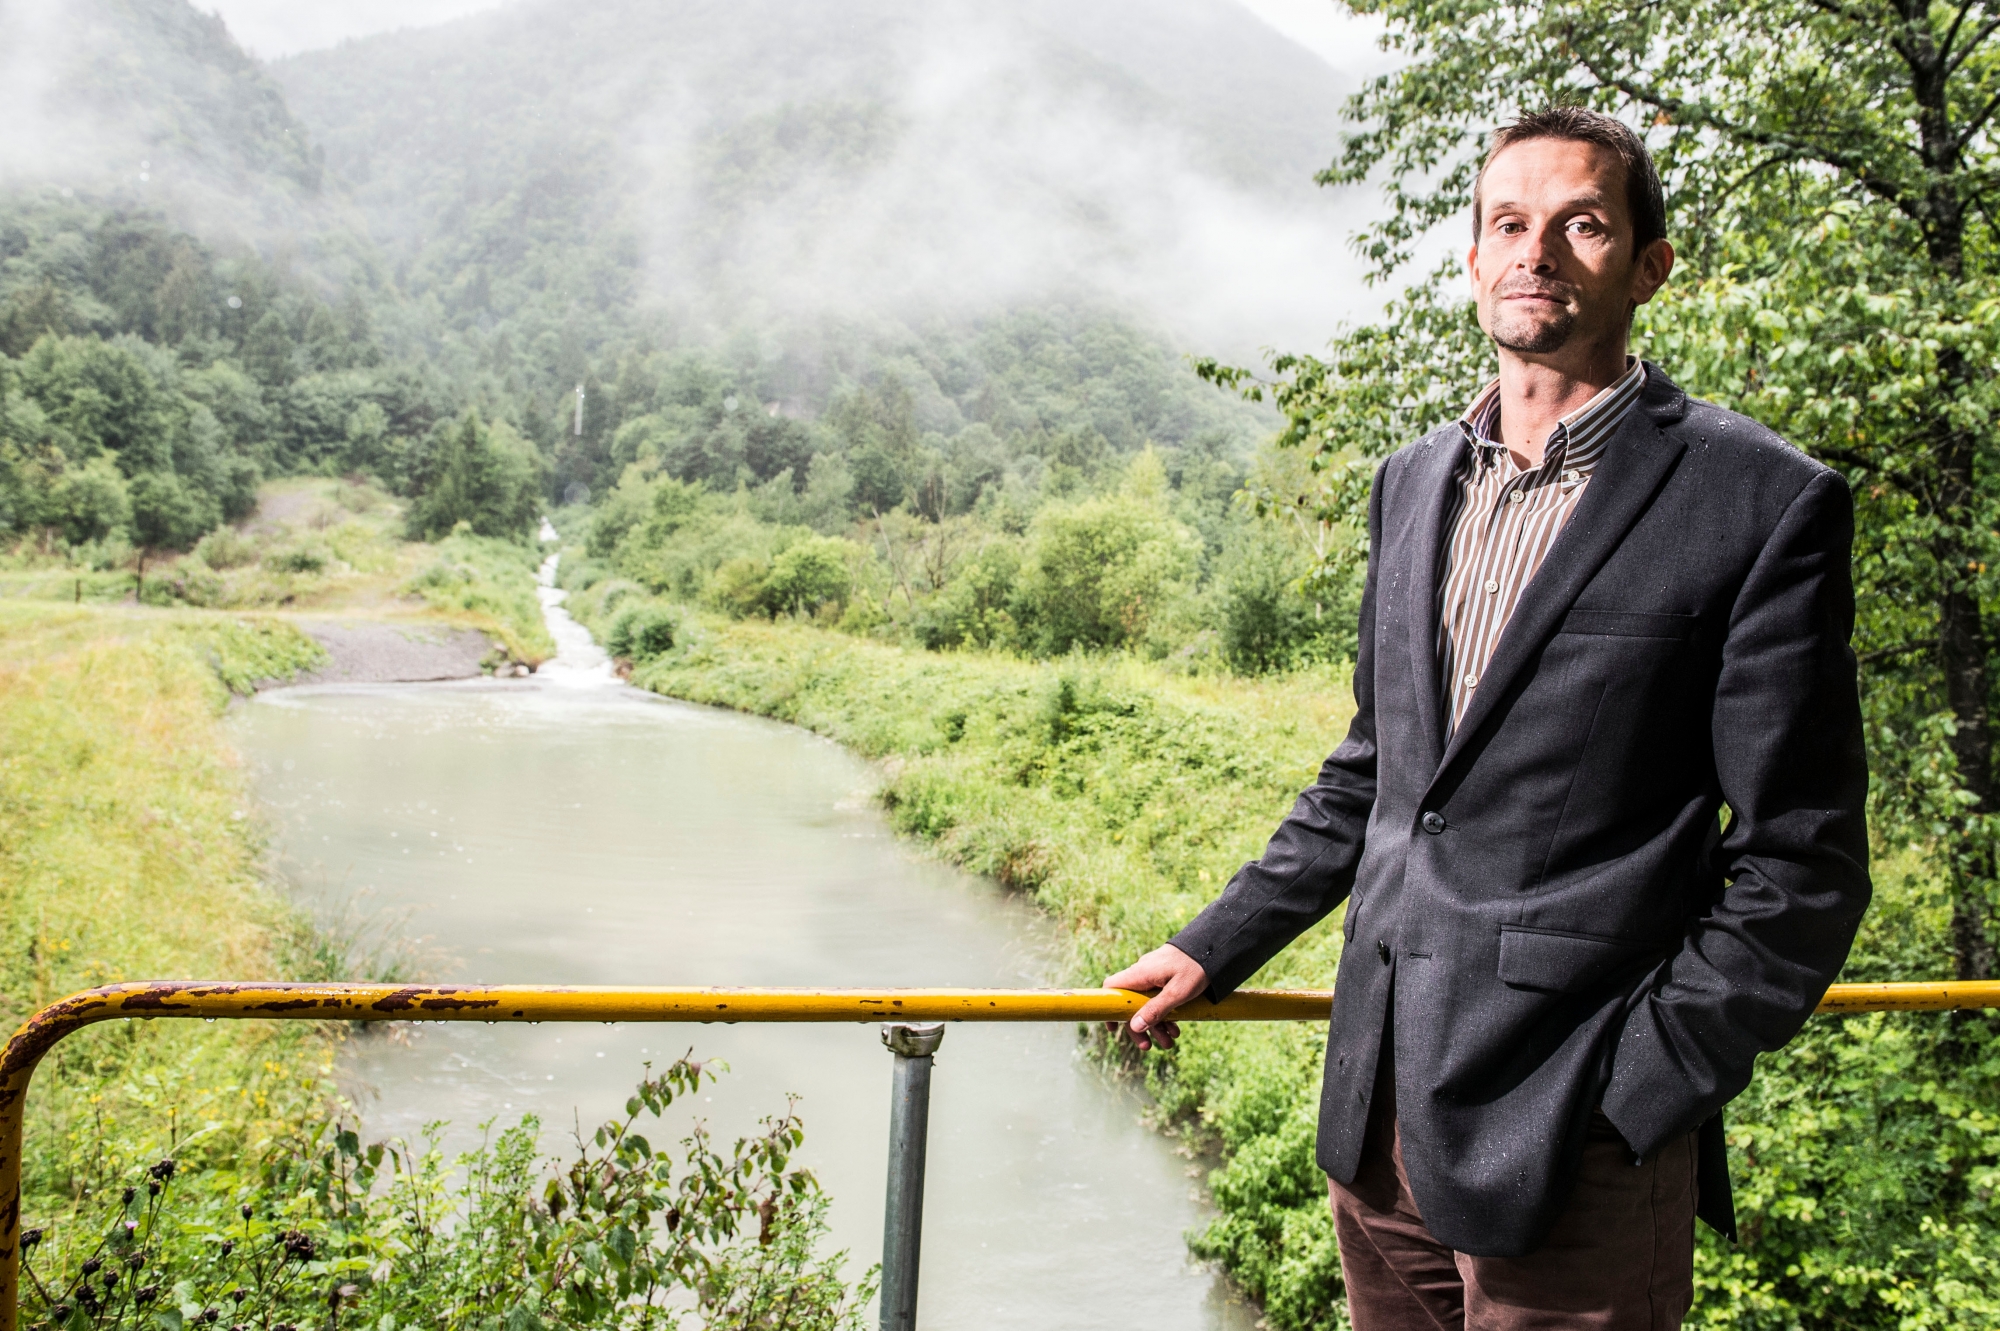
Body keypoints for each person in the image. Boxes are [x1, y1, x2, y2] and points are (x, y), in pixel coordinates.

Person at [1105, 106, 1870, 1330]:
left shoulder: (1760, 499)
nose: (1536, 252)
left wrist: (1644, 1083)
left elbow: (1802, 859)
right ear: (1470, 263)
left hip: (1578, 1126)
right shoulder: (1411, 481)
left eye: (1580, 224)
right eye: (1507, 224)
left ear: (1648, 264)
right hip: (1377, 1116)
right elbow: (1376, 773)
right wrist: (1216, 942)